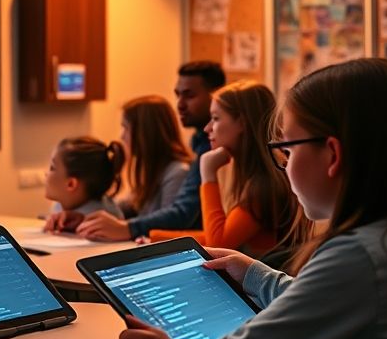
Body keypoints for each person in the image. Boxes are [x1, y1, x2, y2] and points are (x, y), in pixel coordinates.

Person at [118, 58, 387, 339]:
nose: (284, 164)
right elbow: (318, 299)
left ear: (331, 155)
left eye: (287, 149)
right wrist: (253, 273)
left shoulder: (359, 256)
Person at [76, 61, 226, 241]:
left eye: (190, 95)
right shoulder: (197, 145)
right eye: (177, 95)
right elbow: (128, 209)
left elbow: (180, 216)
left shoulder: (194, 161)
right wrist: (83, 218)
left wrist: (129, 229)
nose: (179, 104)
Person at [149, 81, 297, 257]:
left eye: (216, 118)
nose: (207, 128)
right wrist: (154, 238)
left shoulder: (264, 185)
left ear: (242, 123)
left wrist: (208, 175)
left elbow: (218, 242)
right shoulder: (256, 176)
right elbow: (221, 234)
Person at [117, 95, 192, 218]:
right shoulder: (153, 170)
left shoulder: (177, 173)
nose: (122, 136)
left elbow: (168, 225)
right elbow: (124, 208)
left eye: (125, 128)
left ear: (145, 132)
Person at [43, 136, 125, 232]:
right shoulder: (60, 205)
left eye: (52, 168)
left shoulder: (104, 218)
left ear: (71, 184)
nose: (46, 174)